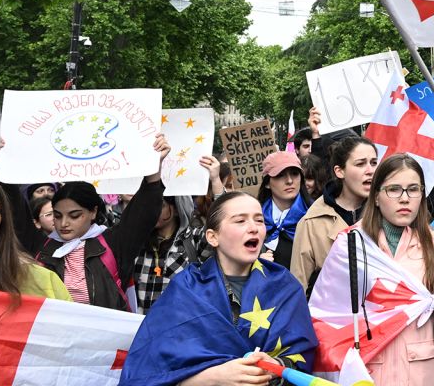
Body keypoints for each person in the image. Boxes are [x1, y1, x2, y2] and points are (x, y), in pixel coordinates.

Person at [118, 191, 317, 386]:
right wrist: (212, 378)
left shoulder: (285, 286)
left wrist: (276, 367)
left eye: (259, 220)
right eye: (240, 221)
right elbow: (147, 373)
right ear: (213, 237)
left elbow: (302, 356)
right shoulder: (186, 288)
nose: (254, 228)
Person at [35, 136, 171, 310]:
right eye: (57, 216)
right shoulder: (43, 248)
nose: (64, 223)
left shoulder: (113, 243)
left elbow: (143, 213)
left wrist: (153, 169)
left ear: (93, 212)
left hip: (105, 335)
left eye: (74, 215)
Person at [356, 154, 434, 383]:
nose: (405, 198)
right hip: (371, 370)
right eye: (394, 189)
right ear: (376, 196)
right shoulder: (351, 245)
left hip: (424, 371)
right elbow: (335, 315)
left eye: (413, 189)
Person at [130, 155, 226, 313]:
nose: (151, 210)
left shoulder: (193, 240)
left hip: (179, 330)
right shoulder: (137, 241)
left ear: (176, 208)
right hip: (141, 330)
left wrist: (215, 180)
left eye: (159, 205)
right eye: (148, 204)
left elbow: (223, 225)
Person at [291, 135, 376, 290]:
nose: (370, 170)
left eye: (374, 163)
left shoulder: (386, 214)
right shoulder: (311, 222)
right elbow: (298, 288)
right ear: (339, 171)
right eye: (360, 164)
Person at [257, 150, 312, 269]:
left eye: (294, 174)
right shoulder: (254, 219)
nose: (289, 181)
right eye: (280, 175)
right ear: (267, 183)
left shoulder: (315, 216)